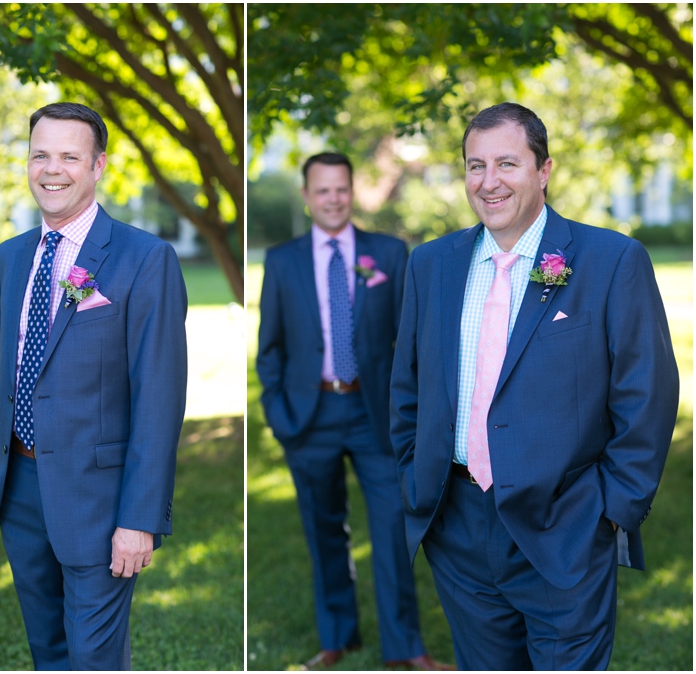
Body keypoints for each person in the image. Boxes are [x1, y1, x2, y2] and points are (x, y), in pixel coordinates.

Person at [390, 102, 679, 670]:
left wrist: (611, 510)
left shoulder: (611, 260)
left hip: (567, 524)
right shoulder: (431, 264)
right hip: (458, 526)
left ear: (543, 171)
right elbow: (408, 389)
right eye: (476, 166)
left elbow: (646, 394)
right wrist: (415, 481)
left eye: (507, 163)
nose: (489, 182)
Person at [0, 102, 187, 671]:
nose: (53, 169)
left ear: (98, 167)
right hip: (19, 486)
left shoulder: (146, 258)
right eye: (40, 155)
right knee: (47, 653)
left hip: (100, 500)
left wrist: (139, 518)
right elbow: (10, 369)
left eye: (70, 156)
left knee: (92, 658)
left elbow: (159, 399)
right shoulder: (11, 256)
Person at [256, 152, 451, 671]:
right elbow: (269, 348)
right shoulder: (282, 261)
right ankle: (337, 637)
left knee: (392, 527)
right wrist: (279, 414)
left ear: (351, 191)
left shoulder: (389, 253)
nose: (333, 199)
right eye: (322, 191)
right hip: (309, 414)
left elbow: (410, 341)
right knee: (323, 529)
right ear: (307, 196)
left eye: (341, 189)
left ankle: (406, 646)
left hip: (375, 415)